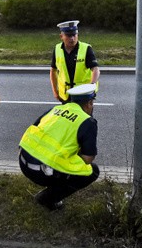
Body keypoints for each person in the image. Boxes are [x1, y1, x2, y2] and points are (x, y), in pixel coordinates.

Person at [18, 83, 100, 211]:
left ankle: (52, 184)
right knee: (92, 171)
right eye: (92, 103)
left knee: (62, 161)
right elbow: (88, 158)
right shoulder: (87, 121)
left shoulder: (55, 109)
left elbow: (36, 128)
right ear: (89, 103)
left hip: (23, 162)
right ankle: (47, 198)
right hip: (41, 172)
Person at [50, 20, 100, 103]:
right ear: (61, 36)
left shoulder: (86, 48)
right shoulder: (57, 49)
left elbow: (95, 69)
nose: (72, 38)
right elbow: (53, 71)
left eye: (74, 35)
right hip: (66, 95)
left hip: (83, 94)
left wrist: (91, 86)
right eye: (68, 35)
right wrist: (55, 91)